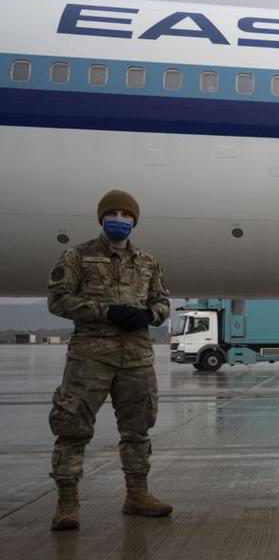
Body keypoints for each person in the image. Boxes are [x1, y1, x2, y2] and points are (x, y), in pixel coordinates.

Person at [46, 189, 172, 531]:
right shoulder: (77, 256)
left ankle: (137, 495)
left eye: (127, 215)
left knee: (138, 431)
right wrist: (105, 311)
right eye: (114, 214)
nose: (121, 220)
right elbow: (58, 300)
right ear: (103, 218)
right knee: (72, 429)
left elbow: (163, 302)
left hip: (136, 358)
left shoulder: (147, 262)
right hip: (91, 357)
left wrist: (148, 314)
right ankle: (67, 504)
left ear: (135, 221)